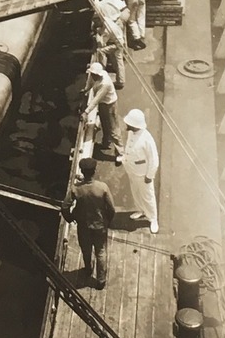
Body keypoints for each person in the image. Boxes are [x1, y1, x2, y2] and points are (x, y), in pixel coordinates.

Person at [62, 157, 115, 289]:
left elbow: (64, 207)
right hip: (100, 225)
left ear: (82, 171)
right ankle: (101, 280)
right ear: (95, 171)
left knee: (86, 249)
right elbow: (112, 208)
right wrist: (107, 220)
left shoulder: (76, 189)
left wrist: (69, 218)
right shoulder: (102, 188)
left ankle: (88, 268)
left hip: (83, 225)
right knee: (101, 251)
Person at [121, 108, 160, 232]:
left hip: (143, 174)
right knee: (136, 192)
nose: (126, 125)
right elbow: (130, 148)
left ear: (134, 125)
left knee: (148, 196)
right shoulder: (131, 133)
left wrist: (149, 175)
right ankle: (140, 210)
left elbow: (154, 160)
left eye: (128, 123)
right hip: (132, 170)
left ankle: (153, 218)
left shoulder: (147, 139)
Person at [87, 0, 127, 88]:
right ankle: (115, 66)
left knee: (113, 55)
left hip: (114, 33)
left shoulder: (99, 5)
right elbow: (122, 6)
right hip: (116, 24)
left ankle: (119, 80)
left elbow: (101, 42)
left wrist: (96, 35)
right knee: (115, 52)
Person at [84, 61, 123, 161]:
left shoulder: (104, 83)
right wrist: (85, 89)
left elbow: (96, 99)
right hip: (103, 103)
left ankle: (121, 153)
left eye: (93, 74)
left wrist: (86, 112)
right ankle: (106, 142)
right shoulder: (94, 76)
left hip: (110, 104)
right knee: (105, 124)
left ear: (98, 74)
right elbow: (90, 82)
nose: (91, 76)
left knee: (113, 128)